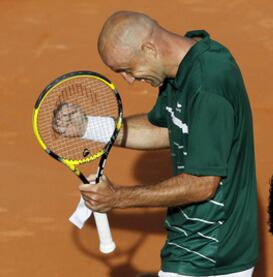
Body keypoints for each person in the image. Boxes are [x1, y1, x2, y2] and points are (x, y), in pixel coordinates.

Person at [53, 11, 259, 277]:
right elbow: (167, 129)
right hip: (190, 243)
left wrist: (117, 198)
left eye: (127, 69)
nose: (128, 79)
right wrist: (87, 126)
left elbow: (202, 183)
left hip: (211, 253)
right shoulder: (180, 70)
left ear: (149, 49)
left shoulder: (208, 86)